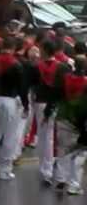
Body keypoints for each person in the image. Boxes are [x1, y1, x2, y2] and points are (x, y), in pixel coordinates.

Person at [0, 36, 28, 181]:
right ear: (13, 48)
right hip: (10, 101)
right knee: (10, 136)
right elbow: (22, 87)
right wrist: (25, 104)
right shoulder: (16, 64)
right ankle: (5, 170)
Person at [44, 56, 87, 195]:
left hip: (63, 115)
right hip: (79, 119)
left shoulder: (65, 79)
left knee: (63, 149)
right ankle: (74, 184)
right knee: (79, 153)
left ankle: (61, 178)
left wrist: (47, 113)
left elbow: (54, 95)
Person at [34, 40, 70, 186]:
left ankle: (45, 171)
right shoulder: (63, 67)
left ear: (43, 50)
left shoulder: (36, 67)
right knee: (55, 138)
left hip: (40, 103)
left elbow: (32, 86)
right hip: (57, 104)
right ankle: (56, 169)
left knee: (43, 137)